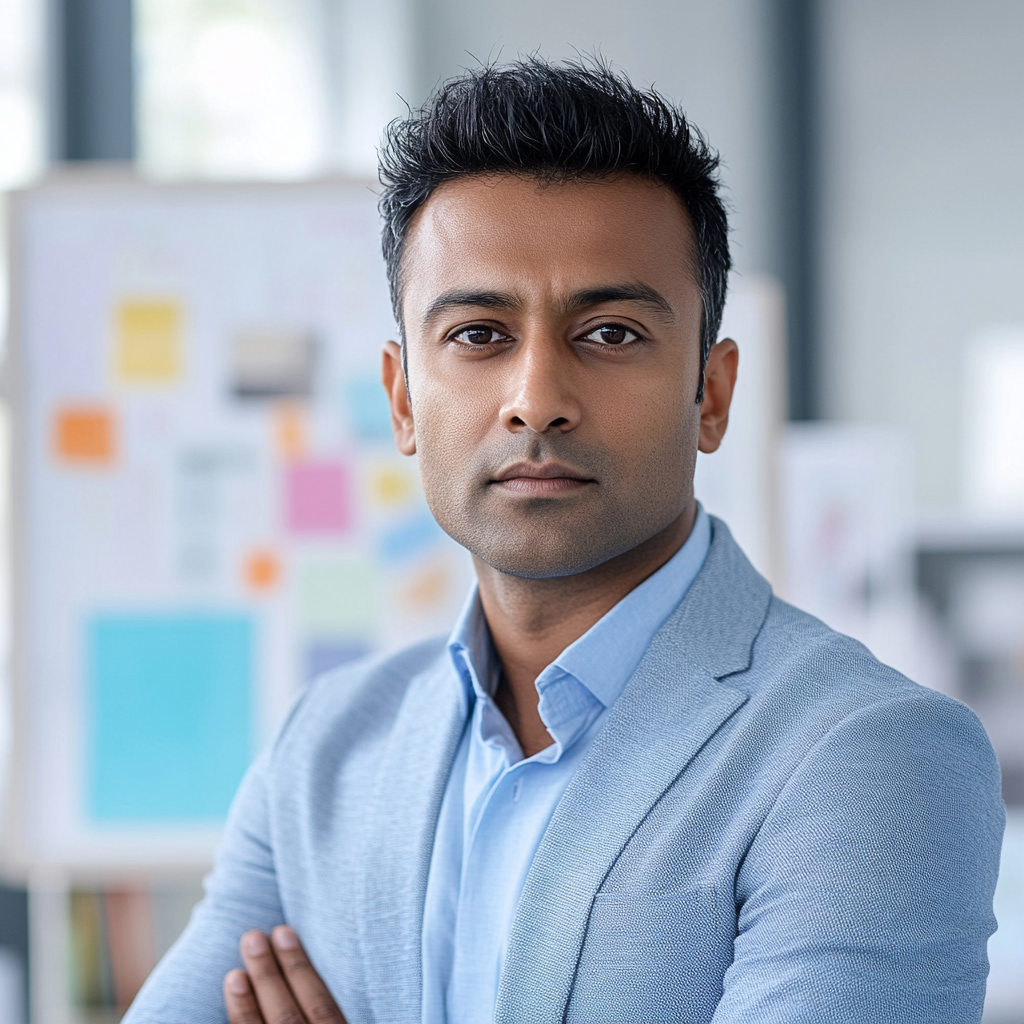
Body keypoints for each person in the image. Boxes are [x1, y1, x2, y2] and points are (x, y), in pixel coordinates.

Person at [124, 59, 1004, 1024]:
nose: (536, 399)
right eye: (477, 334)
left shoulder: (868, 753)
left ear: (709, 395)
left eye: (613, 333)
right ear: (403, 398)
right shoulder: (328, 749)